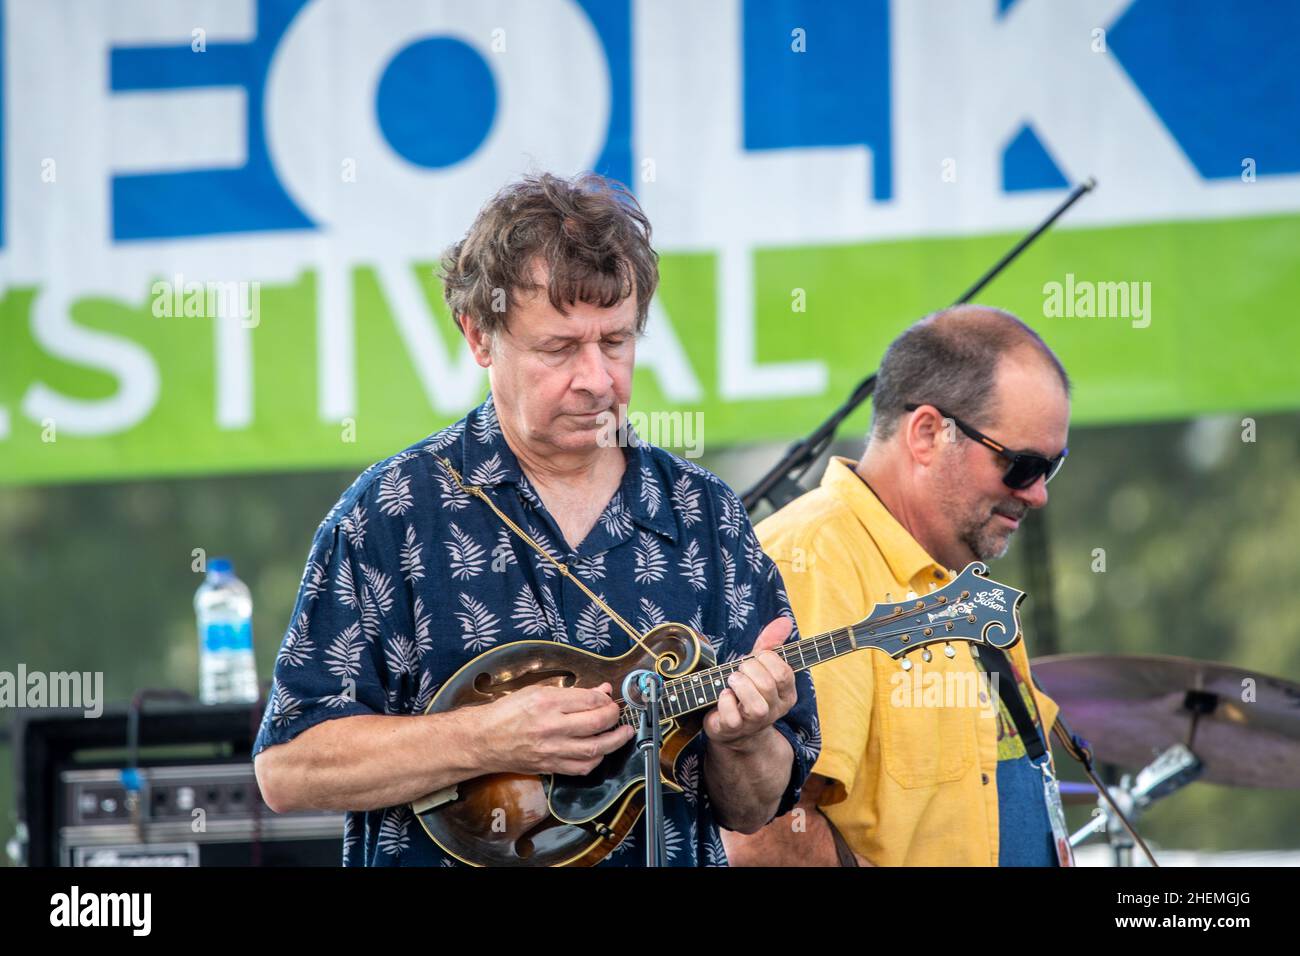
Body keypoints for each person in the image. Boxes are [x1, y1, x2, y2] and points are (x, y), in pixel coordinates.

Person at [251, 171, 818, 866]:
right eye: (558, 348)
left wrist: (745, 738)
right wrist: (484, 740)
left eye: (615, 343)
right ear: (478, 336)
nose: (596, 378)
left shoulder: (705, 516)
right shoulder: (391, 513)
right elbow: (288, 768)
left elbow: (753, 805)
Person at [725, 306, 1068, 866]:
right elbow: (763, 833)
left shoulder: (959, 569)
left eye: (1053, 467)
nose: (1037, 494)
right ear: (929, 433)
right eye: (1022, 465)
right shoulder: (812, 561)